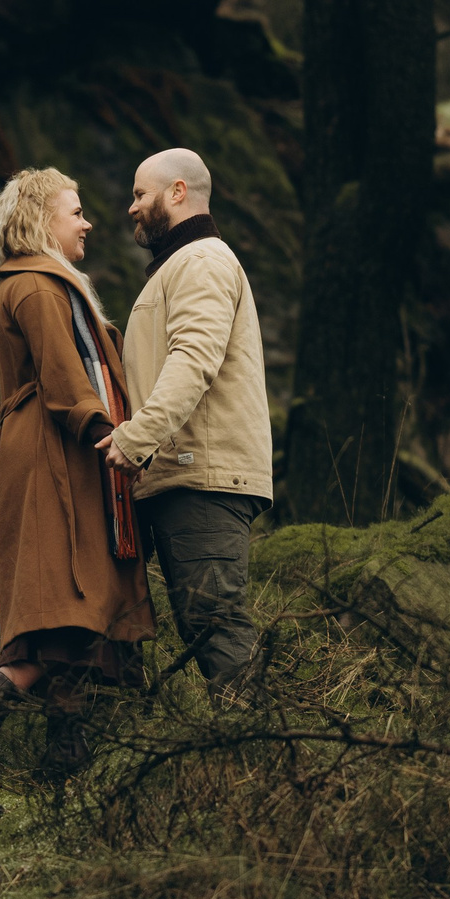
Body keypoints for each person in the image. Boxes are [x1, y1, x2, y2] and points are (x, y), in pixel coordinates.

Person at [0, 168, 155, 774]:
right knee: (65, 598)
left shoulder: (48, 284)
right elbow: (63, 380)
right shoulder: (35, 285)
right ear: (39, 219)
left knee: (75, 603)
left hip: (67, 457)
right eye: (76, 211)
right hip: (52, 458)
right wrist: (114, 435)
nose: (87, 222)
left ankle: (65, 750)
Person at [97, 147, 273, 693]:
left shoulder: (201, 261)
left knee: (214, 626)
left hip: (203, 475)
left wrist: (135, 439)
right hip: (181, 473)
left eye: (140, 193)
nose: (131, 207)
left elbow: (193, 359)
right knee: (202, 625)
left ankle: (268, 762)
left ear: (178, 192)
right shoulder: (182, 266)